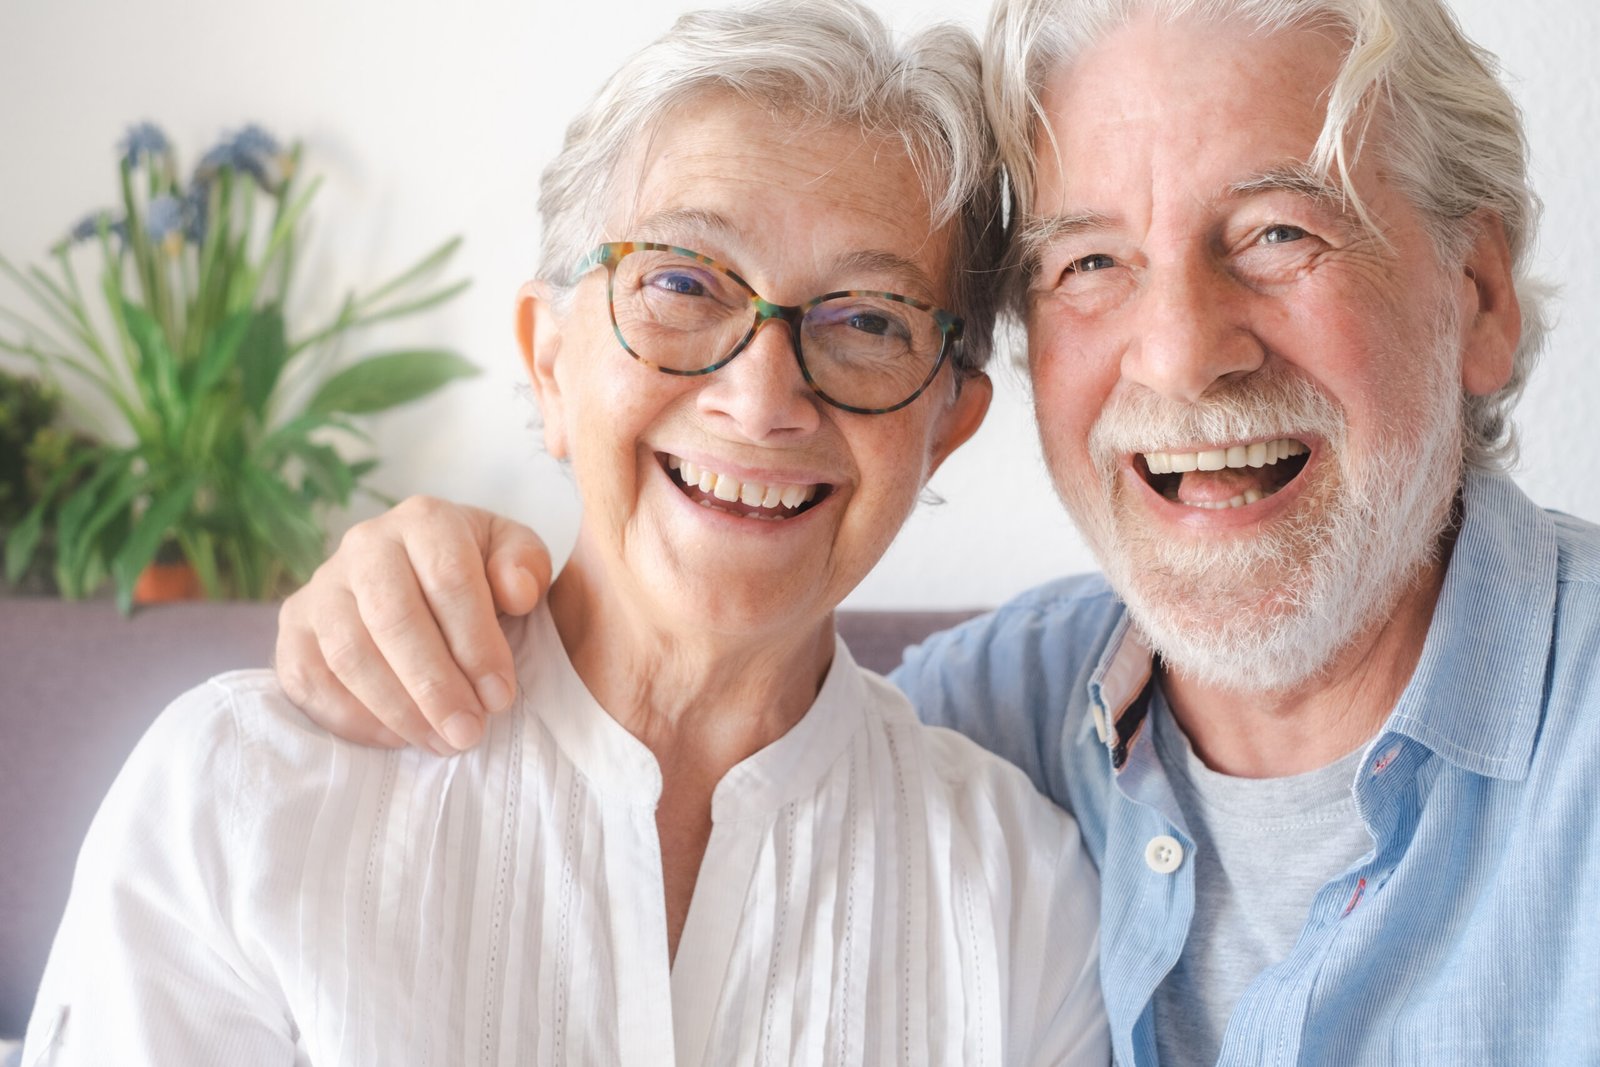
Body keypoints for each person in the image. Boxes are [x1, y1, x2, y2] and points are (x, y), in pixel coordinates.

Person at [271, 0, 1600, 1062]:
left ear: (1479, 298)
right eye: (1091, 261)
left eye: (1276, 232)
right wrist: (411, 587)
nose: (1181, 354)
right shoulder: (992, 723)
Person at [23, 4, 1112, 1064]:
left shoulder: (1025, 898)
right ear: (549, 363)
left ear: (944, 428)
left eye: (869, 318)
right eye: (682, 281)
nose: (761, 398)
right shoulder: (242, 797)